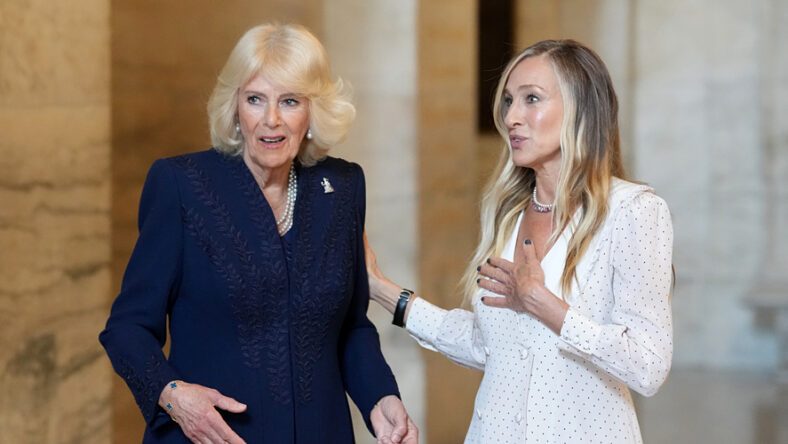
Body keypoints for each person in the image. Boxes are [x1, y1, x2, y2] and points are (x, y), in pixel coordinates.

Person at [100, 23, 417, 444]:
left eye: (289, 101)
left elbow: (349, 327)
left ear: (313, 111)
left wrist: (380, 397)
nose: (271, 120)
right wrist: (173, 396)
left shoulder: (342, 188)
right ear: (235, 107)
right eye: (255, 99)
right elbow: (127, 328)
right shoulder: (181, 186)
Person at [365, 39, 673, 443]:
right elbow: (487, 345)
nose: (512, 116)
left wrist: (546, 306)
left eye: (532, 99)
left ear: (581, 109)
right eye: (509, 100)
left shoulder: (632, 212)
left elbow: (648, 366)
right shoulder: (507, 215)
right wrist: (383, 291)